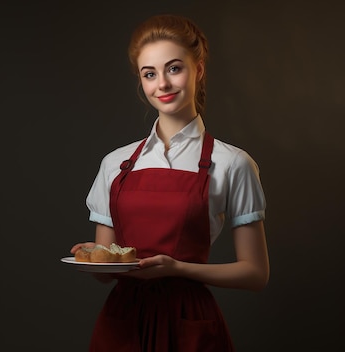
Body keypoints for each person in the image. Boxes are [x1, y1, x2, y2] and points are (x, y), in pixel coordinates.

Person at [70, 14, 270, 352]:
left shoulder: (234, 163)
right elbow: (107, 271)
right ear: (141, 81)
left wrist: (178, 269)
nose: (161, 84)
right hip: (123, 323)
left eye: (174, 68)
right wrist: (93, 257)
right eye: (150, 74)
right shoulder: (114, 164)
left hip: (188, 320)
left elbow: (255, 274)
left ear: (199, 70)